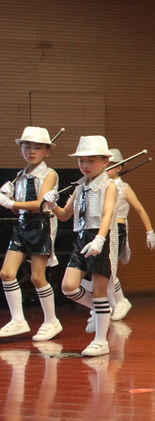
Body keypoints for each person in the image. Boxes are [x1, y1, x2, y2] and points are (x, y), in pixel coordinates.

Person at [44, 136, 119, 357]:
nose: (85, 165)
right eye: (81, 161)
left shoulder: (109, 185)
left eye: (91, 160)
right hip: (81, 238)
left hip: (100, 237)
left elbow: (107, 214)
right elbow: (64, 215)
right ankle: (100, 310)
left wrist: (100, 239)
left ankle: (101, 341)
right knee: (68, 286)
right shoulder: (79, 187)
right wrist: (51, 204)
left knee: (99, 291)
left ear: (105, 161)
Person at [0, 127, 61, 342]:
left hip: (41, 226)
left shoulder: (49, 174)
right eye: (27, 147)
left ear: (47, 151)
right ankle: (18, 319)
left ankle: (52, 320)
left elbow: (40, 204)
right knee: (7, 273)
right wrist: (7, 198)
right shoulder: (20, 175)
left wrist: (11, 203)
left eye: (38, 147)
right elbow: (18, 211)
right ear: (21, 149)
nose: (32, 151)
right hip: (22, 226)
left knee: (37, 277)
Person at [106, 149, 155, 321]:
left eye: (109, 165)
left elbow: (140, 209)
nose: (105, 168)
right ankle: (113, 304)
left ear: (119, 167)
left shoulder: (123, 187)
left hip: (117, 228)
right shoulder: (101, 186)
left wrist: (150, 231)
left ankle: (121, 301)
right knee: (101, 270)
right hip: (101, 229)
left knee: (109, 268)